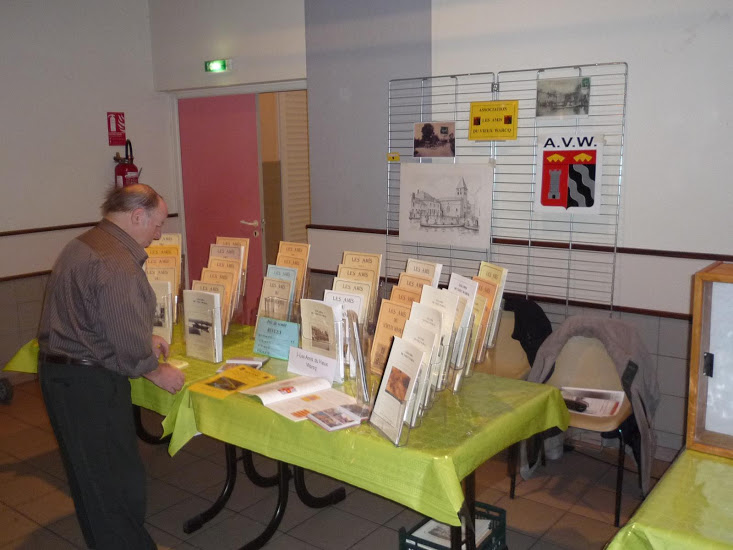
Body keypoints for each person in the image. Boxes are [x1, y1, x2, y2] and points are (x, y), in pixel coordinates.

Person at [37, 184, 185, 549]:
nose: (158, 234)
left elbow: (92, 317)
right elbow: (125, 342)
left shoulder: (85, 243)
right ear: (137, 216)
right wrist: (156, 370)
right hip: (89, 383)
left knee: (92, 480)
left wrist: (142, 336)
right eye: (157, 224)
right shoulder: (116, 261)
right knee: (116, 481)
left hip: (64, 376)